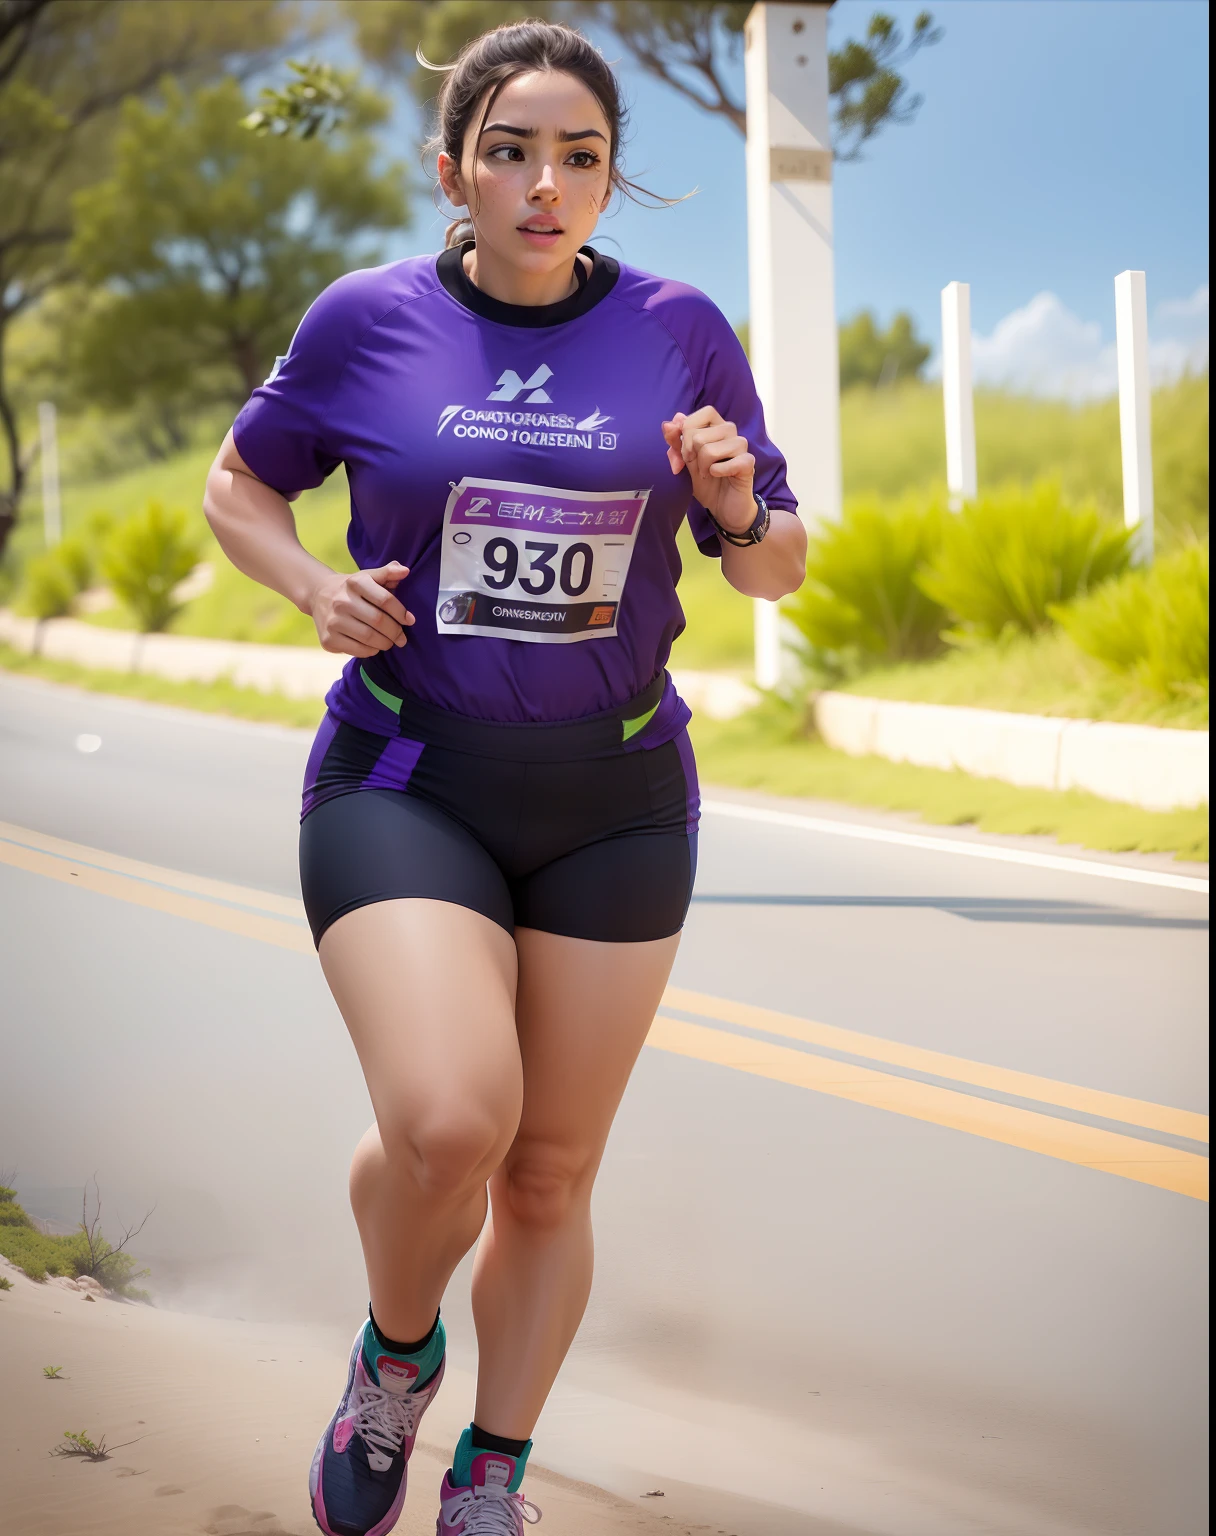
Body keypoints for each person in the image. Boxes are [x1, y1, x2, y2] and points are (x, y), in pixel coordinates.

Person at [204, 18, 804, 1535]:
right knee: (455, 1123)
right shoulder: (367, 320)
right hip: (409, 771)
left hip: (614, 794)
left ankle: (493, 1472)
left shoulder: (679, 326)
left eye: (581, 157)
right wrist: (304, 589)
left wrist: (734, 506)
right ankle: (397, 1360)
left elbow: (778, 571)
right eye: (513, 152)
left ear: (611, 180)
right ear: (455, 168)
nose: (547, 184)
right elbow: (241, 484)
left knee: (546, 1172)